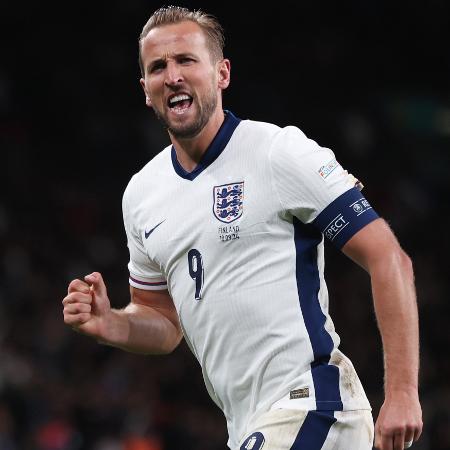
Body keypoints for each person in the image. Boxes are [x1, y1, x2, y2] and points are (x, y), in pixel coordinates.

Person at [62, 6, 423, 450]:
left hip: (312, 406)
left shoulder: (277, 152)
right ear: (145, 90)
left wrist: (403, 392)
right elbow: (163, 321)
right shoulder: (141, 195)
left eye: (186, 60)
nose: (172, 75)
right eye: (158, 67)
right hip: (250, 426)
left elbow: (388, 257)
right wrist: (113, 323)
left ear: (221, 73)